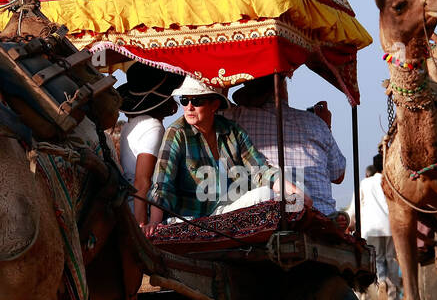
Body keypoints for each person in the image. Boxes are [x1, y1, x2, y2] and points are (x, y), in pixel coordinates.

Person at [147, 77, 310, 229]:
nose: (189, 107)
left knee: (294, 192)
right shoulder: (177, 133)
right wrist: (154, 224)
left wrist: (295, 191)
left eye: (196, 101)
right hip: (192, 219)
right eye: (184, 100)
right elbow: (162, 183)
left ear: (214, 105)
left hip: (228, 210)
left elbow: (260, 171)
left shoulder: (233, 131)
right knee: (268, 194)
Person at [223, 76, 347, 215]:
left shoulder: (232, 119)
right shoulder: (316, 123)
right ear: (281, 88)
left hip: (274, 218)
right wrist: (326, 126)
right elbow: (338, 175)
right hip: (324, 218)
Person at [116, 63, 182, 226]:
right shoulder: (153, 127)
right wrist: (142, 224)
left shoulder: (129, 125)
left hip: (128, 204)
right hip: (141, 209)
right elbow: (142, 181)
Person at [345, 155, 400, 300]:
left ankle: (381, 281)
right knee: (391, 259)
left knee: (378, 259)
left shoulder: (365, 183)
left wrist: (349, 222)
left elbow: (355, 207)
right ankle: (393, 294)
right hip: (391, 226)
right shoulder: (392, 181)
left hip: (372, 227)